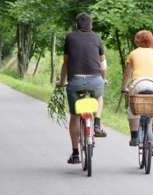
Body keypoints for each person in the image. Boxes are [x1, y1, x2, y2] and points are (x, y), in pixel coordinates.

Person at [57, 13, 107, 164]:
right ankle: (97, 123)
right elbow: (103, 65)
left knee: (75, 116)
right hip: (95, 81)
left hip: (76, 81)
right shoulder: (97, 38)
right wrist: (103, 80)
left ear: (77, 24)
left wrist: (61, 81)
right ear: (91, 25)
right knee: (99, 98)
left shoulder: (70, 37)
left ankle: (75, 154)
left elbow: (66, 63)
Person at [122, 30, 153, 154]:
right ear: (152, 40)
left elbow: (127, 73)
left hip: (139, 84)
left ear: (137, 40)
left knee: (132, 108)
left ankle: (135, 136)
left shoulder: (133, 53)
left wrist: (124, 87)